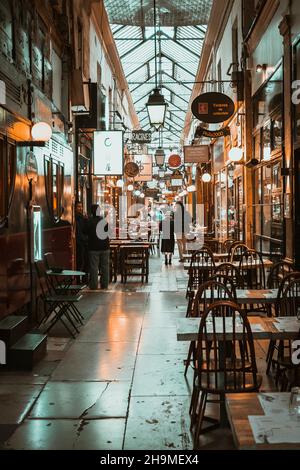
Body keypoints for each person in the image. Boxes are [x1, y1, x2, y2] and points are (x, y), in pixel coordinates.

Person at [85, 204, 110, 290]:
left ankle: (94, 285)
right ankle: (105, 285)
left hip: (93, 247)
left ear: (91, 212)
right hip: (105, 246)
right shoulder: (104, 221)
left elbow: (85, 232)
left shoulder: (89, 222)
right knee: (105, 267)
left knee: (94, 267)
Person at [75, 201, 88, 272]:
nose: (80, 208)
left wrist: (86, 220)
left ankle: (82, 278)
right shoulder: (76, 218)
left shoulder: (83, 218)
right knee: (80, 261)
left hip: (83, 243)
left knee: (83, 261)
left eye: (81, 206)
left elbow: (85, 230)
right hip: (79, 243)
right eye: (78, 207)